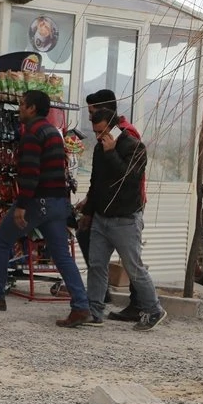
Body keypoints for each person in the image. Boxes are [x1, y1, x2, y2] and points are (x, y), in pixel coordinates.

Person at [0, 89, 91, 327]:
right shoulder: (53, 133)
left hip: (37, 202)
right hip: (57, 203)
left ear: (32, 108)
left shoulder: (32, 134)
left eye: (23, 104)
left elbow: (30, 173)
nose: (20, 108)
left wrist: (22, 205)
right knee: (62, 255)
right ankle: (80, 306)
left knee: (1, 241)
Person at [82, 108, 167, 331]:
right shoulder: (100, 148)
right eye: (95, 133)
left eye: (101, 132)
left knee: (133, 267)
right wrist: (89, 212)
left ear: (113, 128)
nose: (99, 137)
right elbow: (96, 182)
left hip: (126, 220)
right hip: (102, 217)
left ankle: (153, 308)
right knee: (97, 264)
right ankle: (94, 311)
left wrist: (111, 153)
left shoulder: (134, 147)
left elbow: (130, 180)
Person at [77, 89, 145, 321]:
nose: (90, 118)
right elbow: (100, 177)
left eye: (93, 112)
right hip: (107, 207)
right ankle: (95, 304)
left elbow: (128, 177)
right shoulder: (105, 139)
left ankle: (144, 305)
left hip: (125, 209)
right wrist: (90, 203)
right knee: (97, 259)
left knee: (132, 261)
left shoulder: (125, 136)